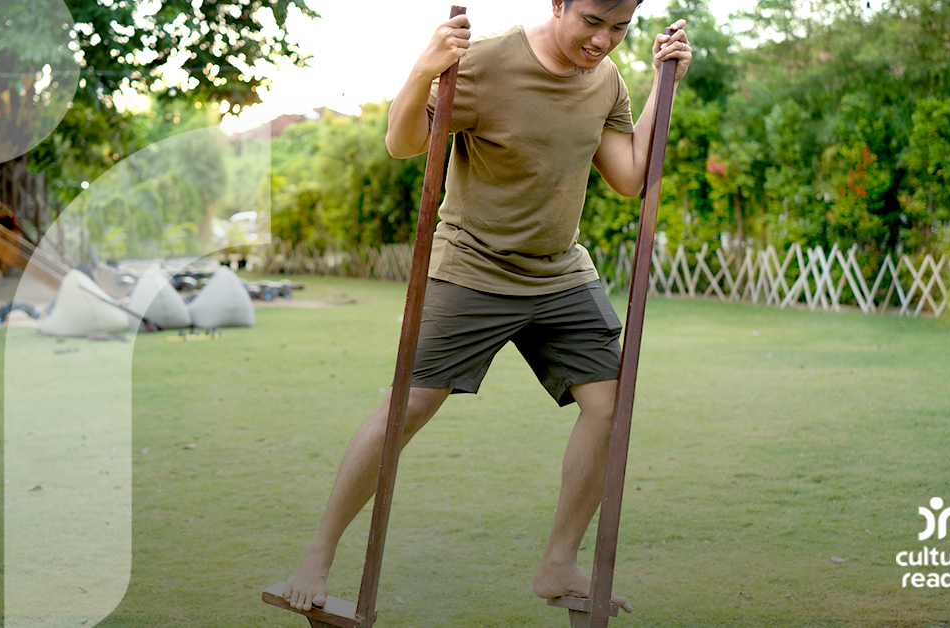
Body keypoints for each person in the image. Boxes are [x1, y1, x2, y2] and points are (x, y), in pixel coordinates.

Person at [281, 0, 692, 615]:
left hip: (558, 271)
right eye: (592, 22)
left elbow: (631, 176)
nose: (603, 40)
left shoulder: (606, 80)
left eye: (620, 28)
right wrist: (426, 66)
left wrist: (666, 86)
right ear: (558, 4)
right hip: (473, 266)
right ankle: (316, 555)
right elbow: (402, 143)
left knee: (609, 404)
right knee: (408, 407)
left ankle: (559, 565)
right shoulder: (484, 63)